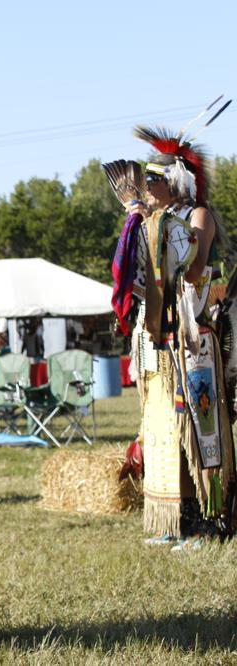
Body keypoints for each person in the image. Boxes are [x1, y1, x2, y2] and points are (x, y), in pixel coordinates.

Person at [117, 123, 234, 550]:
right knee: (163, 429)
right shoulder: (148, 221)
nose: (145, 186)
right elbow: (136, 283)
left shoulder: (197, 216)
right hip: (157, 342)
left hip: (191, 341)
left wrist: (158, 231)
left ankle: (208, 519)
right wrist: (138, 230)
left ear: (176, 181)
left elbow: (192, 270)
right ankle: (175, 518)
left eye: (153, 178)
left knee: (200, 432)